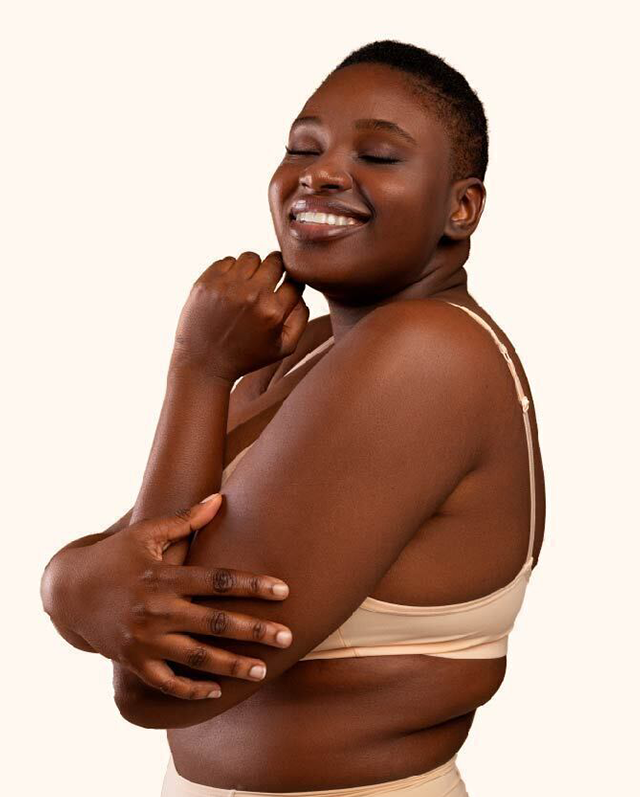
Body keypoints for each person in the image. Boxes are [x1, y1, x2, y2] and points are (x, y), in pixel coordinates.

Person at [40, 39, 545, 797]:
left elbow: (158, 683)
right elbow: (140, 560)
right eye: (302, 147)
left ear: (460, 207)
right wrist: (68, 585)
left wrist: (197, 370)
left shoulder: (423, 356)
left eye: (378, 155)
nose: (322, 173)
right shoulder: (313, 352)